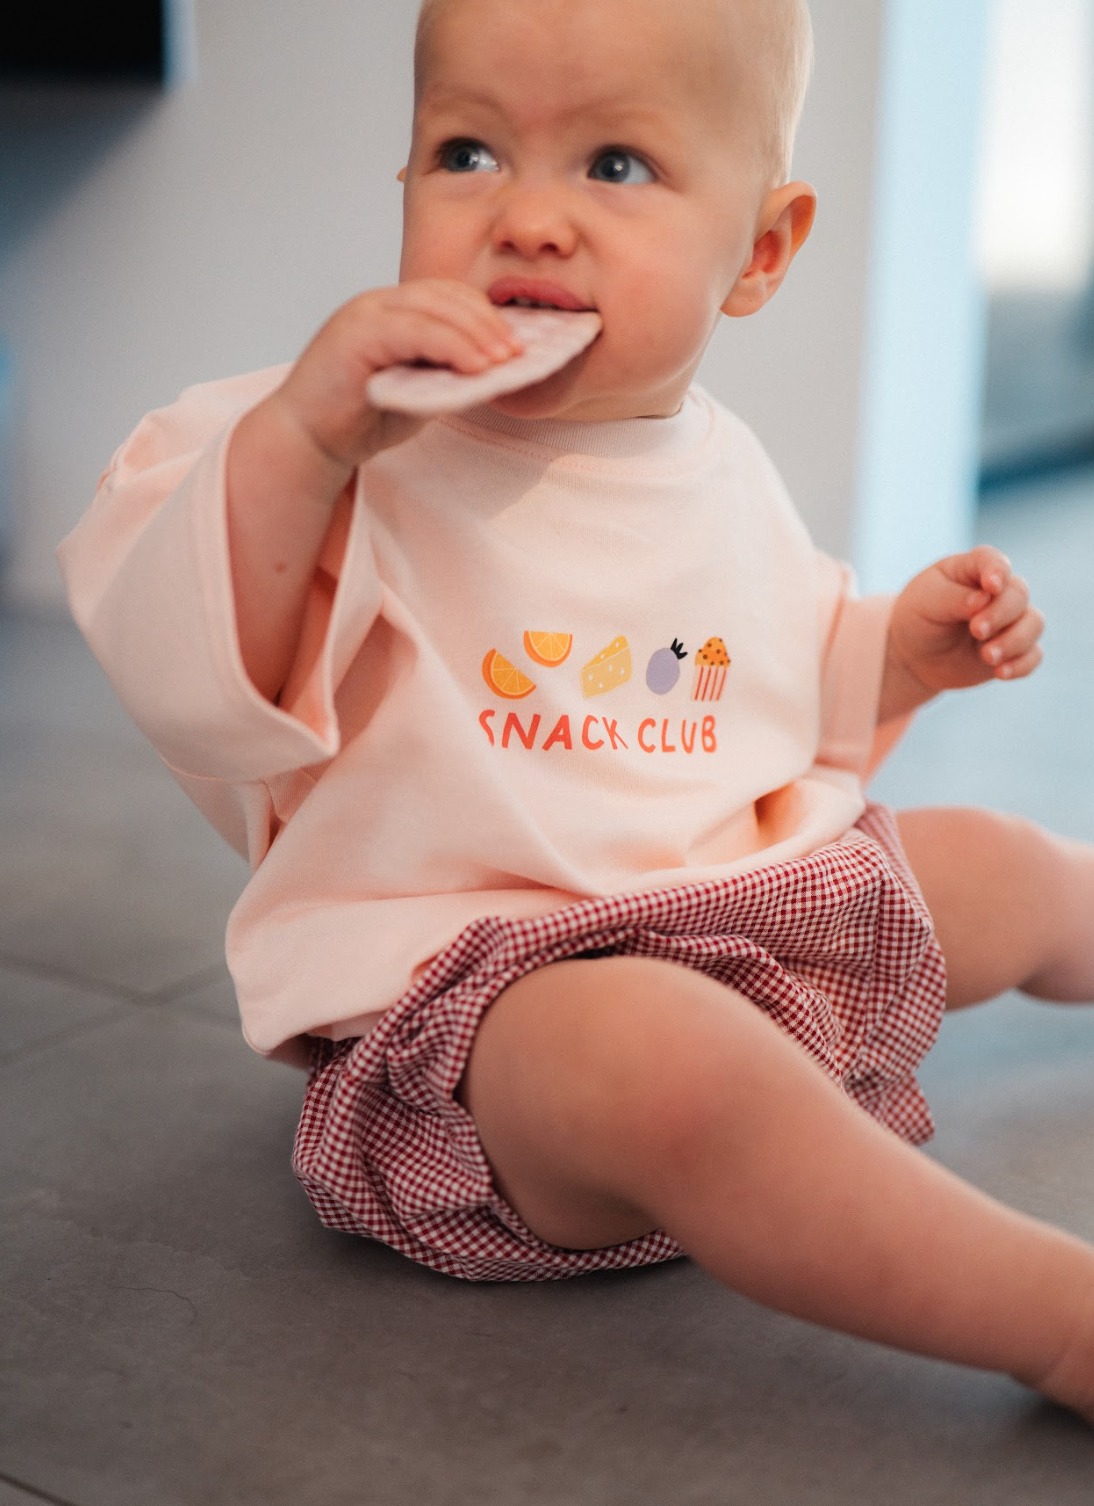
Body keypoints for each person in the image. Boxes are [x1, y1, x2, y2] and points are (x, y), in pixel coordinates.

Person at [58, 0, 1094, 1421]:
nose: (530, 218)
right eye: (470, 152)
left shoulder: (718, 467)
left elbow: (767, 692)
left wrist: (895, 658)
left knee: (1000, 861)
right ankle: (1054, 1316)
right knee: (663, 1055)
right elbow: (198, 669)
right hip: (482, 1039)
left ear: (761, 251)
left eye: (613, 167)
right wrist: (303, 439)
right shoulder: (336, 448)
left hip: (734, 940)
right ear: (405, 183)